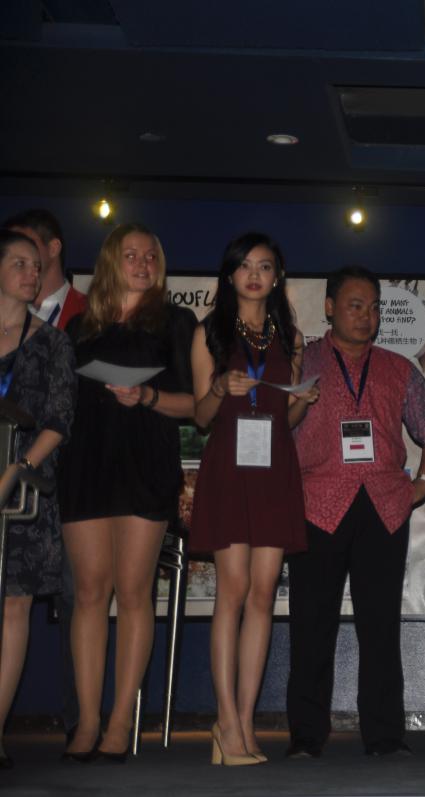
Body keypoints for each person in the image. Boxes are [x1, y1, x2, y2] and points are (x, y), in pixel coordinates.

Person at [287, 266, 425, 759]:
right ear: (329, 308)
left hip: (383, 504)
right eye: (355, 305)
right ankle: (306, 737)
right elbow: (275, 423)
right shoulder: (303, 361)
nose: (367, 316)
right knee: (311, 625)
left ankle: (384, 736)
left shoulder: (398, 367)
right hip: (317, 503)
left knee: (380, 627)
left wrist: (423, 482)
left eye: (374, 307)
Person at [58, 222, 197, 762]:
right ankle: (88, 721)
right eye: (132, 254)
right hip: (85, 465)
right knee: (90, 594)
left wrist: (146, 397)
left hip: (145, 464)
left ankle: (120, 722)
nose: (143, 263)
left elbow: (199, 406)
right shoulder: (80, 327)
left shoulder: (176, 322)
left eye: (151, 255)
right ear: (111, 262)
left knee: (135, 592)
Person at [189, 233, 317, 765]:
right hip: (228, 466)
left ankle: (244, 720)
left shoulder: (292, 337)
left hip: (273, 468)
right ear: (230, 275)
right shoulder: (209, 332)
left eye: (265, 266)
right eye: (245, 265)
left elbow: (286, 418)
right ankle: (225, 720)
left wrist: (303, 401)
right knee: (234, 590)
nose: (255, 274)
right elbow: (200, 416)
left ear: (277, 276)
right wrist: (220, 389)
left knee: (264, 595)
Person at [3, 209, 86, 743]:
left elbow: (60, 419)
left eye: (36, 266)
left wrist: (18, 469)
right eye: (19, 264)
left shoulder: (54, 342)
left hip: (25, 495)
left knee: (16, 605)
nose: (32, 274)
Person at [2, 209, 87, 331]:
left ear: (53, 249)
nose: (16, 252)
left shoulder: (91, 311)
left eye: (25, 243)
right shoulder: (5, 310)